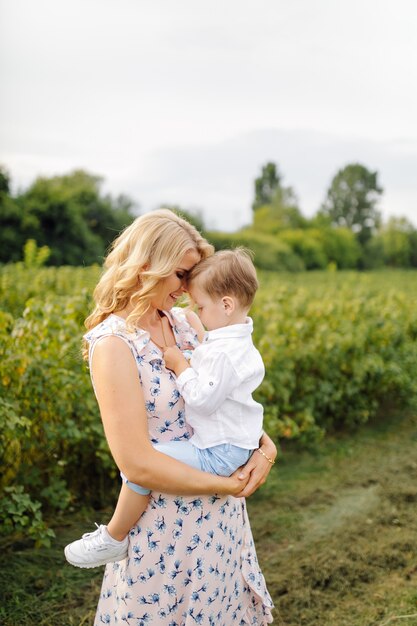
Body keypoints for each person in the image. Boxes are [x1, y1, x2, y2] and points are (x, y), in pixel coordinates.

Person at [67, 209, 275, 625]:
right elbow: (136, 463)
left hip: (220, 521)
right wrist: (225, 484)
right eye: (181, 275)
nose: (188, 288)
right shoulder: (114, 344)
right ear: (148, 266)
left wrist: (265, 447)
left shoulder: (187, 322)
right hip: (163, 529)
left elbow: (221, 400)